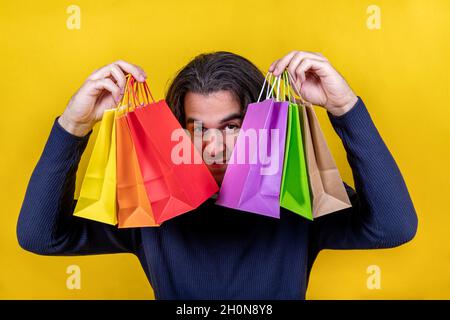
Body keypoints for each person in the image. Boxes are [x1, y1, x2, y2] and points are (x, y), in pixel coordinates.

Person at [17, 51, 418, 299]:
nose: (214, 146)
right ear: (177, 129)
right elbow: (42, 236)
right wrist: (74, 124)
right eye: (198, 128)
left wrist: (344, 106)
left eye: (232, 126)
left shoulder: (293, 192)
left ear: (263, 126)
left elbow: (393, 227)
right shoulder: (150, 202)